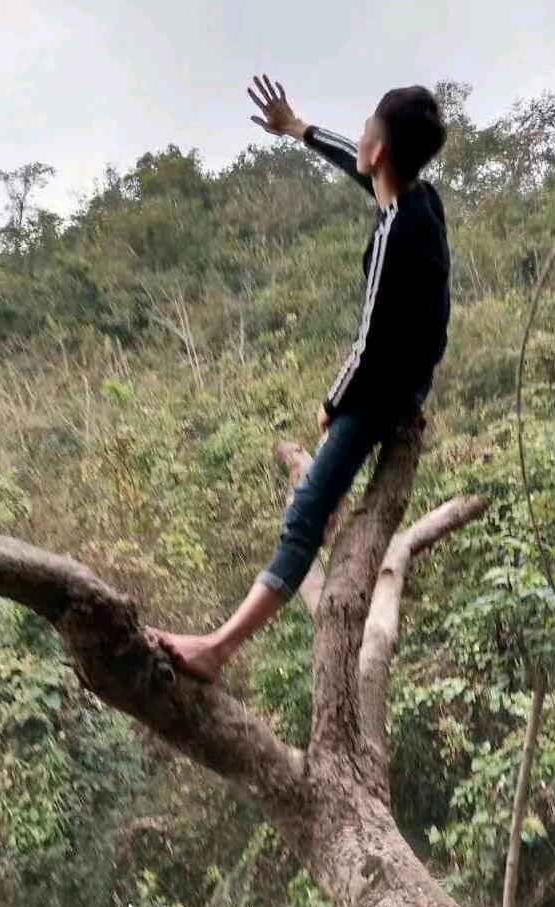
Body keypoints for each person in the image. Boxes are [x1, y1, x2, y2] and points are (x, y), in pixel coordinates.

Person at [145, 74, 451, 682]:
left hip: (385, 393)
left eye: (368, 127)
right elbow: (359, 167)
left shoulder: (396, 234)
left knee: (305, 515)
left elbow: (371, 342)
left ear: (381, 150)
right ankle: (357, 462)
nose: (360, 135)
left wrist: (333, 404)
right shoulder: (422, 198)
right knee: (324, 494)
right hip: (414, 381)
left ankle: (217, 649)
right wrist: (298, 129)